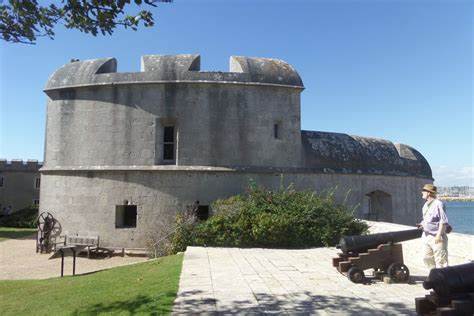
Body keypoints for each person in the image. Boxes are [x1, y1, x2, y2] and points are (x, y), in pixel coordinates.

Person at [418, 184, 449, 269]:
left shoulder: (439, 204)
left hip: (436, 236)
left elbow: (443, 221)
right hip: (426, 235)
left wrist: (438, 235)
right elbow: (426, 219)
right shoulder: (425, 206)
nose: (422, 192)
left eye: (423, 191)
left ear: (428, 193)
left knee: (441, 261)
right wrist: (422, 224)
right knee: (427, 258)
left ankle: (443, 280)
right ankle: (434, 276)